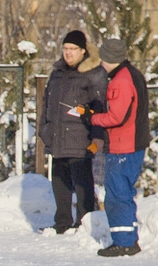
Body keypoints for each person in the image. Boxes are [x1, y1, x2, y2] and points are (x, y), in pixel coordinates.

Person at [38, 30, 107, 234]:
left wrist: (96, 136)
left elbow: (99, 106)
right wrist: (44, 129)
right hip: (57, 136)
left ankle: (85, 223)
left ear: (82, 51)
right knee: (59, 183)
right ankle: (62, 222)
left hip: (80, 139)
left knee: (83, 183)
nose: (68, 53)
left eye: (72, 49)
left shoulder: (93, 73)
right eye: (65, 49)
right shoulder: (56, 74)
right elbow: (46, 103)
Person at [86, 39, 149, 257]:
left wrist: (92, 118)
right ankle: (128, 239)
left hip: (124, 145)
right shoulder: (133, 74)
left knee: (116, 194)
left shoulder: (120, 81)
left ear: (107, 57)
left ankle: (124, 242)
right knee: (122, 192)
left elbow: (116, 117)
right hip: (133, 143)